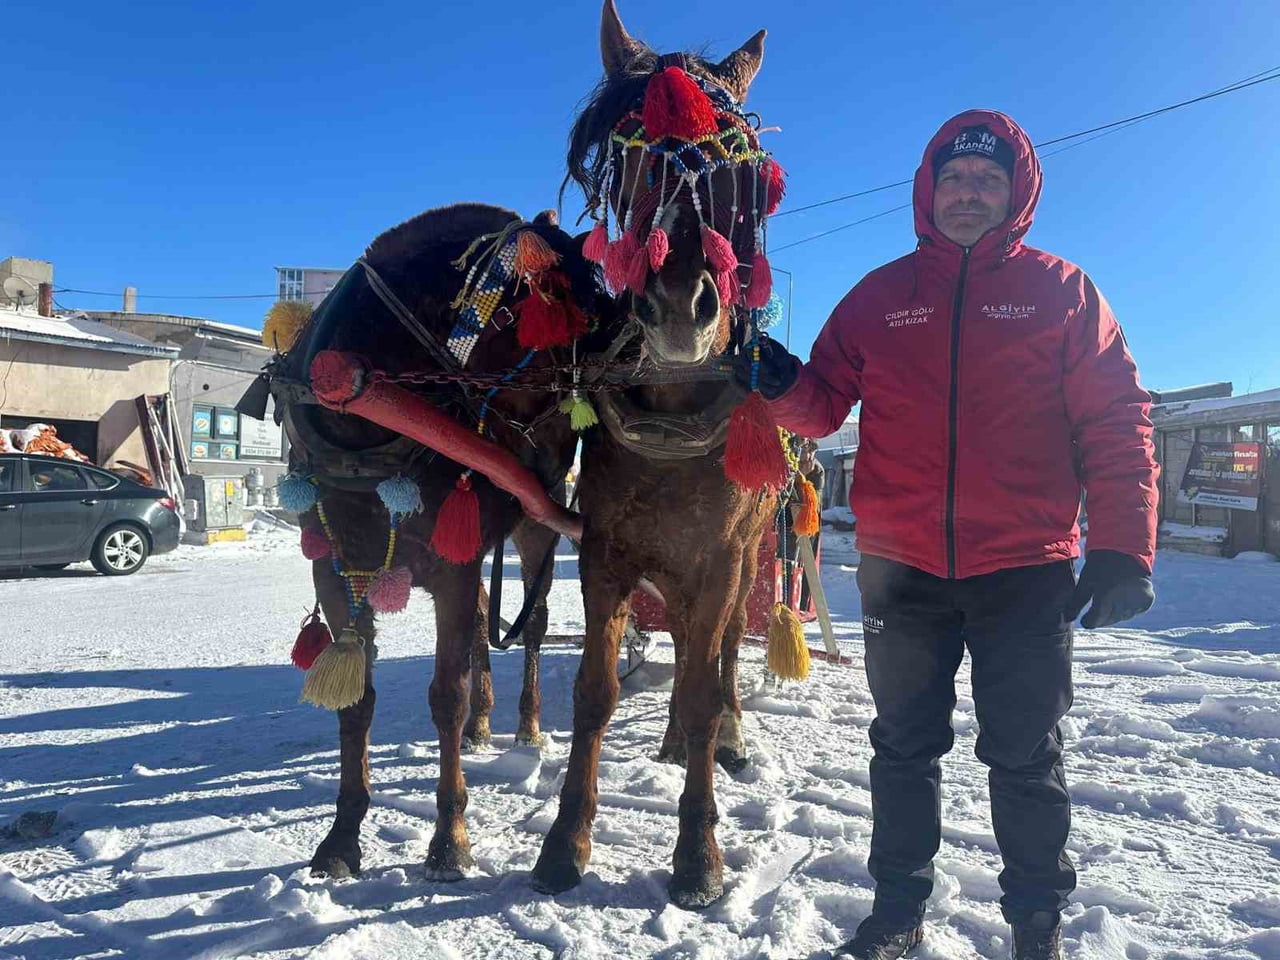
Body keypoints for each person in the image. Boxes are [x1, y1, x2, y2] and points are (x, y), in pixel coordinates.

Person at [736, 110, 1159, 960]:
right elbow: (819, 409)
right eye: (955, 180)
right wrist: (774, 377)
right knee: (901, 746)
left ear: (1018, 192)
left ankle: (1035, 922)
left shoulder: (1064, 294)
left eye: (988, 180)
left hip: (1024, 571)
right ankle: (897, 911)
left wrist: (1122, 546)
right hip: (904, 573)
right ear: (929, 191)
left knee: (1025, 754)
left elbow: (1118, 420)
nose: (969, 193)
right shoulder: (881, 297)